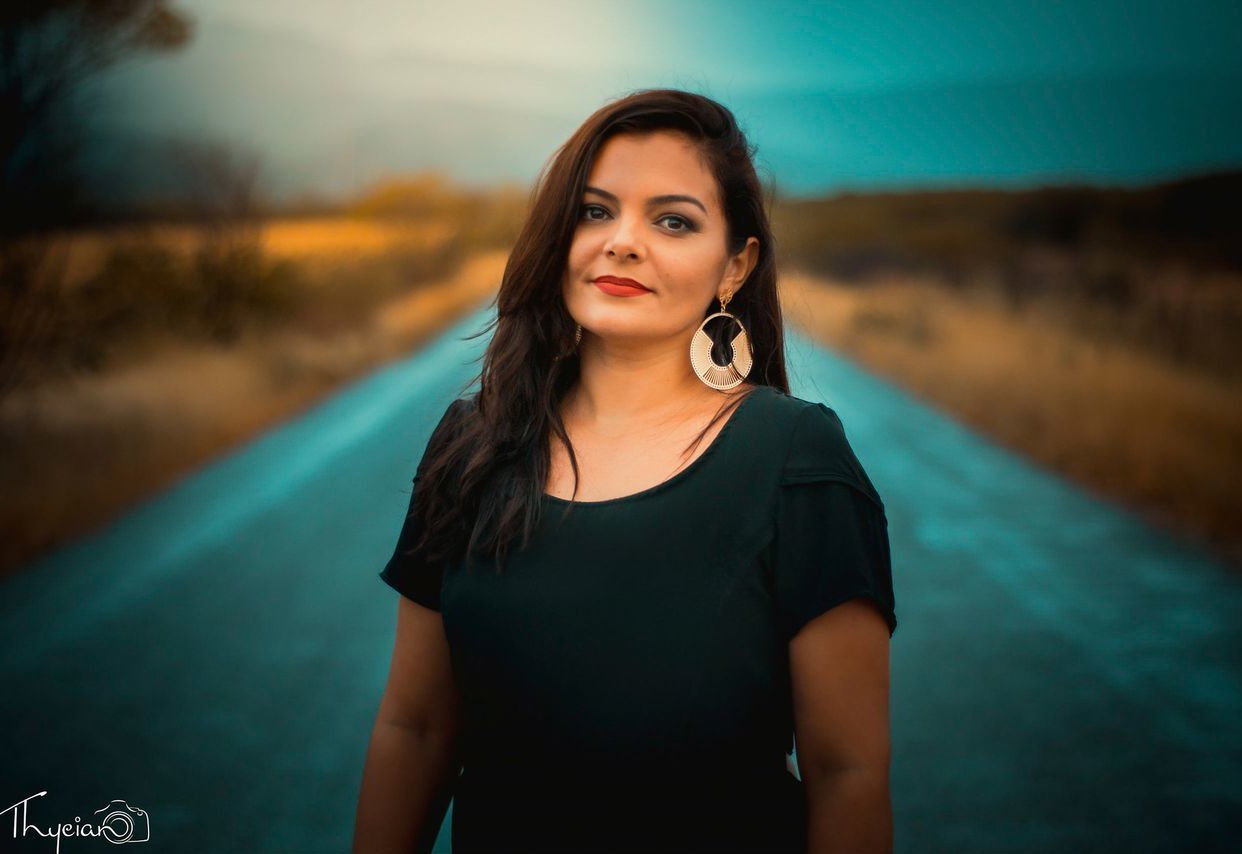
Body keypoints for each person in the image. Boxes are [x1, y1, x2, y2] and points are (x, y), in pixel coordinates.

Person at [352, 88, 897, 854]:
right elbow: (415, 729)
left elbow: (848, 775)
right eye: (595, 211)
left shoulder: (796, 459)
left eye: (673, 220)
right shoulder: (471, 443)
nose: (623, 242)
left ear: (735, 266)